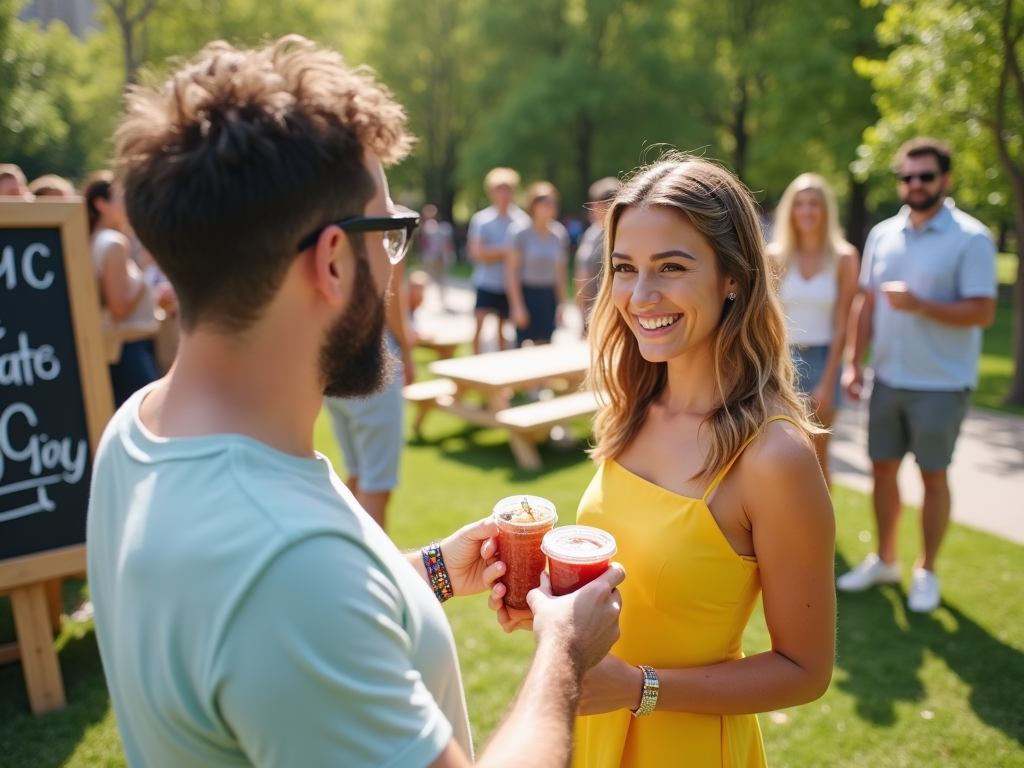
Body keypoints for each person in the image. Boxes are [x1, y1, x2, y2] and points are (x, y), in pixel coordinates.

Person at [87, 36, 625, 768]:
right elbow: (290, 598)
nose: (396, 267)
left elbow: (269, 630)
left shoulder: (138, 427)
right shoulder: (288, 568)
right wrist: (563, 651)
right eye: (392, 234)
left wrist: (432, 570)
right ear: (335, 260)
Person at [495, 155, 836, 767]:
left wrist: (641, 689)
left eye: (671, 268)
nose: (640, 295)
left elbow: (806, 670)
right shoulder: (631, 406)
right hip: (590, 734)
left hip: (688, 747)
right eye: (624, 268)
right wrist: (551, 617)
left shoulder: (774, 456)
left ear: (733, 276)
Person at [839, 137, 997, 613]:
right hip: (887, 378)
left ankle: (926, 570)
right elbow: (864, 303)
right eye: (906, 176)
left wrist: (919, 304)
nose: (914, 184)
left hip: (942, 384)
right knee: (881, 470)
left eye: (924, 176)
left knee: (933, 475)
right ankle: (885, 560)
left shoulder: (972, 238)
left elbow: (983, 312)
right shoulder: (883, 234)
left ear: (945, 180)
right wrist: (853, 361)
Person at [768, 173, 860, 483]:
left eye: (814, 204)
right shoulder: (776, 256)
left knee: (818, 456)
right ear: (790, 210)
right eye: (800, 204)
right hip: (782, 360)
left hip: (825, 359)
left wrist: (828, 377)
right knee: (778, 452)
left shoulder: (845, 257)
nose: (807, 211)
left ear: (826, 210)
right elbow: (768, 318)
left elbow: (844, 322)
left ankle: (822, 532)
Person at [324, 253, 416, 530]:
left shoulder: (325, 216)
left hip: (331, 364)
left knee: (355, 476)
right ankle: (371, 572)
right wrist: (407, 351)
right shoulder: (383, 222)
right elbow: (391, 294)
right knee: (375, 487)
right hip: (372, 365)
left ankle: (340, 560)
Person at [84, 171, 162, 406]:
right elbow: (120, 307)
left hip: (115, 350)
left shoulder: (92, 240)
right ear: (101, 204)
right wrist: (144, 270)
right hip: (128, 349)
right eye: (122, 197)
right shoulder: (115, 243)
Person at [467, 167, 529, 354]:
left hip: (508, 285)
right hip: (486, 282)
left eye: (507, 189)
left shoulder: (521, 220)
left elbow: (523, 254)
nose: (504, 194)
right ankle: (474, 365)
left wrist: (496, 251)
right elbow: (476, 253)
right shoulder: (482, 220)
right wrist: (506, 250)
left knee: (503, 331)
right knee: (479, 325)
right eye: (499, 189)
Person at [506, 182, 569, 347]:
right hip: (527, 294)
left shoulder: (559, 233)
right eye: (544, 202)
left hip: (548, 296)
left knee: (545, 345)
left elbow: (560, 273)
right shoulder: (520, 232)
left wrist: (560, 304)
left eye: (553, 202)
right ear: (533, 205)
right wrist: (517, 306)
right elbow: (511, 272)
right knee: (523, 345)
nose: (549, 206)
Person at [575, 177, 621, 334]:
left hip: (612, 311)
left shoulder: (618, 235)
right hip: (591, 310)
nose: (594, 209)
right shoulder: (591, 233)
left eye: (600, 204)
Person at [417, 203, 455, 309]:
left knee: (440, 278)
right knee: (425, 277)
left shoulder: (441, 227)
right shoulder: (424, 226)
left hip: (439, 256)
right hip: (428, 256)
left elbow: (446, 243)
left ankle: (442, 299)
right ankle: (423, 297)